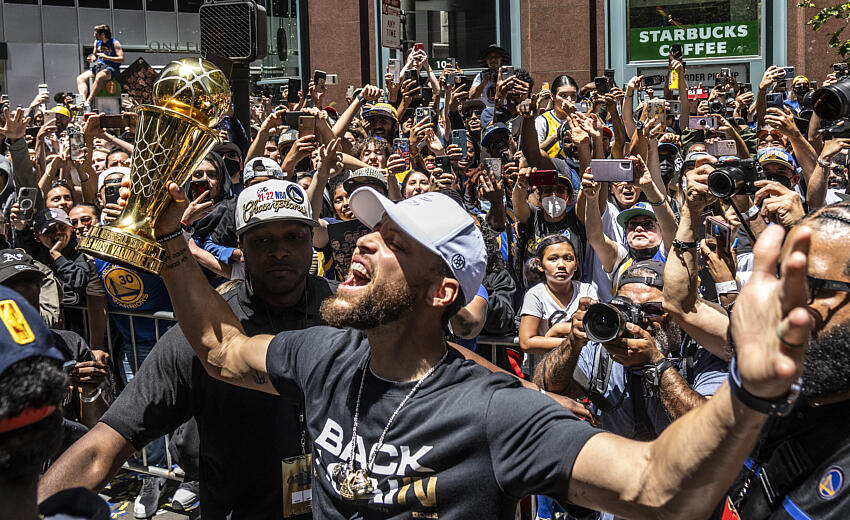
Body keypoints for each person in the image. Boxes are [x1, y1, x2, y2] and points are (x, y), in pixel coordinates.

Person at [147, 169, 814, 518]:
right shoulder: (323, 355)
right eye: (369, 231)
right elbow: (221, 349)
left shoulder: (495, 412)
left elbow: (654, 487)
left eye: (392, 241)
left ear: (442, 291)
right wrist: (170, 239)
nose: (362, 242)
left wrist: (747, 390)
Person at [40, 180, 330, 519]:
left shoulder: (351, 316)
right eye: (262, 239)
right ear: (240, 245)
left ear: (312, 239)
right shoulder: (200, 335)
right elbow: (104, 445)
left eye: (293, 237)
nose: (279, 251)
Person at [0, 284, 109, 520]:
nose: (29, 297)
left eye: (34, 287)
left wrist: (89, 392)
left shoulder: (70, 343)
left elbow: (98, 433)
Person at [519, 235, 597, 359]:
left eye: (568, 259)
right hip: (545, 365)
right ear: (540, 265)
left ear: (576, 264)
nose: (561, 265)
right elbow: (526, 342)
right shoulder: (535, 295)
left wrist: (557, 330)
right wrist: (571, 339)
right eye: (553, 259)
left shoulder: (586, 291)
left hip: (581, 365)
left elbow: (593, 332)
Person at [76, 24, 123, 105]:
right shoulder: (97, 42)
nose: (94, 35)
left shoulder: (115, 43)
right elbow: (95, 55)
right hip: (99, 67)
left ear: (103, 34)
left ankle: (89, 101)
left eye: (96, 33)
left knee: (99, 76)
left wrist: (107, 58)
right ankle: (82, 101)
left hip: (111, 68)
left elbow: (121, 59)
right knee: (80, 78)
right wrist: (91, 58)